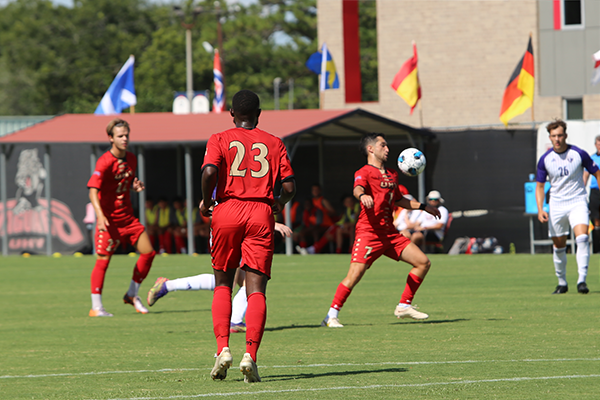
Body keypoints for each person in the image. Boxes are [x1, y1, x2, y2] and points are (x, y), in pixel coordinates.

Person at [200, 90, 296, 383]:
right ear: (259, 113)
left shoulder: (219, 138)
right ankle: (250, 356)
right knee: (256, 288)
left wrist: (206, 201)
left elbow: (208, 171)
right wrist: (278, 203)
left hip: (227, 211)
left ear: (232, 113)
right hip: (261, 213)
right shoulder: (274, 142)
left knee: (223, 283)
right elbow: (290, 186)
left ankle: (223, 349)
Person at [321, 133, 440, 328]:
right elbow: (357, 188)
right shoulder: (364, 172)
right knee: (355, 275)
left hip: (390, 234)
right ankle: (331, 315)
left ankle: (403, 305)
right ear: (371, 149)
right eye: (383, 145)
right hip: (369, 233)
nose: (387, 149)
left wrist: (423, 206)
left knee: (423, 262)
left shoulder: (392, 174)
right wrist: (362, 196)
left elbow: (399, 200)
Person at [146, 223, 293, 333]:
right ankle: (168, 285)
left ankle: (235, 321)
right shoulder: (233, 185)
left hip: (225, 231)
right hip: (230, 234)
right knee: (228, 283)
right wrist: (272, 223)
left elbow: (204, 204)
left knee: (244, 282)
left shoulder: (222, 185)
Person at [87, 118, 156, 317]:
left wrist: (135, 185)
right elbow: (92, 190)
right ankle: (96, 307)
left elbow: (126, 180)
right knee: (103, 261)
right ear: (110, 138)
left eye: (126, 135)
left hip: (127, 218)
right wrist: (100, 216)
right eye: (120, 136)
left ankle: (132, 294)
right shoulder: (104, 161)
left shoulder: (131, 159)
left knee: (148, 253)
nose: (124, 139)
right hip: (109, 220)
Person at [536, 119, 600, 295]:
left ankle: (582, 281)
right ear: (550, 137)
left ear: (565, 135)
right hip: (556, 205)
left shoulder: (579, 154)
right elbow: (540, 186)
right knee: (559, 246)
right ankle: (562, 282)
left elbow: (596, 172)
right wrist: (541, 209)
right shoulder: (545, 160)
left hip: (577, 201)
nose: (557, 139)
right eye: (553, 136)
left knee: (582, 238)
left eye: (560, 135)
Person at [583, 135, 600, 252]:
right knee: (596, 219)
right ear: (595, 145)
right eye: (598, 144)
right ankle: (597, 248)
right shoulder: (592, 158)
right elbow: (585, 176)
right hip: (595, 192)